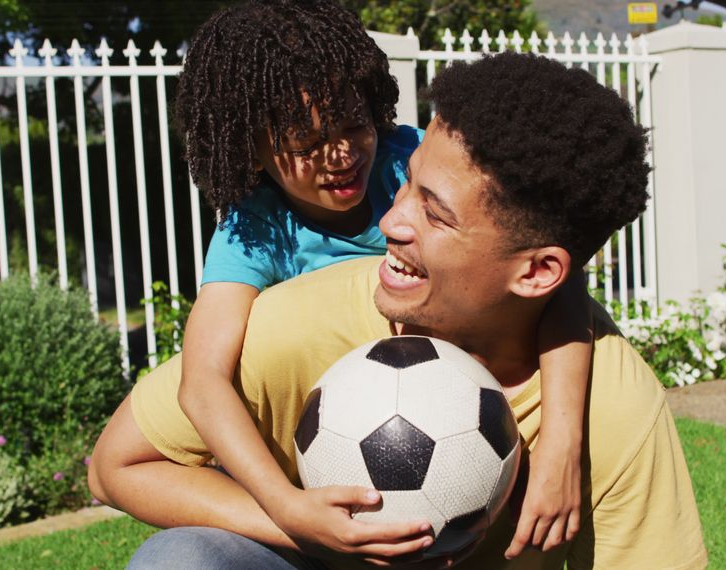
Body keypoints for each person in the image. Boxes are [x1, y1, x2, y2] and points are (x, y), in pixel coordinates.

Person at [89, 51, 707, 569]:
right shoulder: (295, 317)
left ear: (539, 273)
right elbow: (116, 464)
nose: (388, 219)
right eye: (405, 183)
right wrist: (295, 519)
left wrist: (563, 437)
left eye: (434, 213)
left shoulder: (616, 411)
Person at [169, 0, 592, 558]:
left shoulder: (412, 164)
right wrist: (286, 505)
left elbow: (554, 276)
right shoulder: (253, 232)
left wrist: (562, 446)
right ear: (254, 149)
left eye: (353, 123)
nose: (341, 154)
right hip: (328, 474)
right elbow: (202, 381)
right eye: (306, 142)